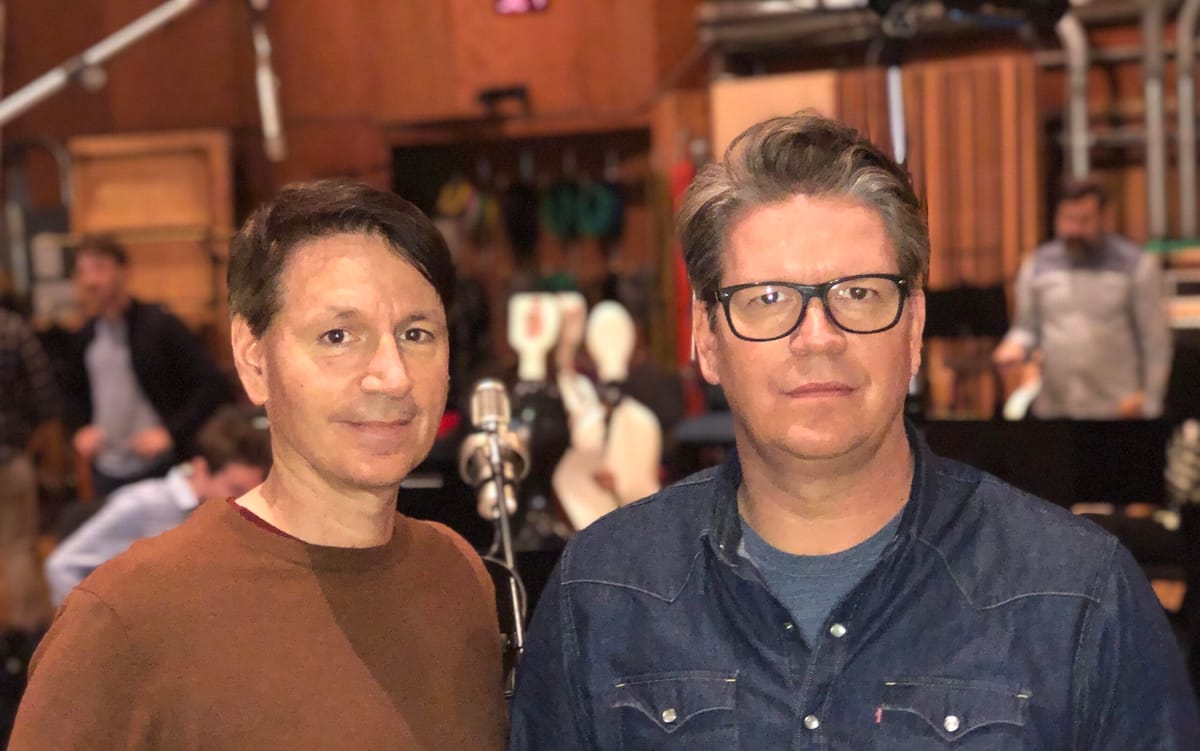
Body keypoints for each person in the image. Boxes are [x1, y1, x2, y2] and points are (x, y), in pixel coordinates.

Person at [507, 112, 1200, 749]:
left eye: (858, 293)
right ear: (707, 338)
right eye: (768, 298)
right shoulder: (603, 593)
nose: (818, 337)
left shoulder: (1077, 598)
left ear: (914, 326)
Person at [11, 179, 507, 750]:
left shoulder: (457, 575)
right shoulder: (128, 618)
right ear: (253, 361)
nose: (392, 377)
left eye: (416, 333)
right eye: (338, 336)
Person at [43, 405, 272, 606]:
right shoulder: (142, 504)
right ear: (201, 469)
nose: (244, 502)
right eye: (236, 490)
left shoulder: (231, 519)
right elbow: (62, 567)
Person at [64, 236, 229, 499]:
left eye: (99, 268)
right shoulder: (86, 335)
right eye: (83, 271)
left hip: (158, 466)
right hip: (106, 468)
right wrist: (80, 428)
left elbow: (211, 383)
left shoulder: (158, 325)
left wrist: (171, 433)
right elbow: (70, 391)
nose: (90, 281)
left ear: (123, 271)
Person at [993, 177, 1173, 419]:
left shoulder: (1136, 267)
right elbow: (1026, 328)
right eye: (1068, 219)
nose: (1074, 229)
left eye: (1084, 220)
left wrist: (1150, 401)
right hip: (1055, 408)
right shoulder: (1036, 266)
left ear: (1104, 218)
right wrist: (1014, 346)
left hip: (1117, 408)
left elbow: (1155, 342)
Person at [0, 309, 61, 634]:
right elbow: (46, 396)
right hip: (11, 457)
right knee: (18, 548)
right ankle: (26, 637)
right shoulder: (12, 329)